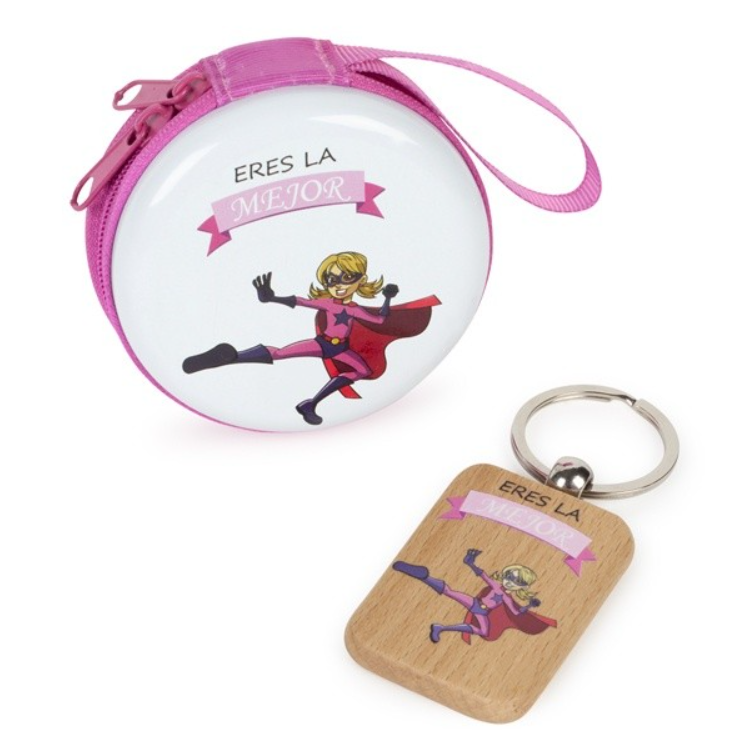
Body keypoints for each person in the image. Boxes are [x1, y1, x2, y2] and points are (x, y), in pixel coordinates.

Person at [182, 252, 439, 425]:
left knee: (361, 370)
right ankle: (232, 357)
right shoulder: (328, 303)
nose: (339, 284)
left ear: (360, 280)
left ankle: (310, 404)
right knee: (281, 353)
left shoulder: (355, 309)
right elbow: (301, 301)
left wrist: (387, 298)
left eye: (347, 278)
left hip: (340, 349)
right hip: (323, 344)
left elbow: (380, 321)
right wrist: (271, 297)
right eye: (332, 279)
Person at [393, 548, 557, 644]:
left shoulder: (507, 597)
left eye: (517, 581)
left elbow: (515, 612)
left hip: (481, 612)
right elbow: (482, 575)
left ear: (522, 586)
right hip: (475, 603)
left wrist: (529, 606)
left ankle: (440, 628)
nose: (510, 581)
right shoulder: (497, 586)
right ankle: (424, 577)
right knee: (449, 592)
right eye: (510, 577)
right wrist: (470, 563)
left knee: (483, 630)